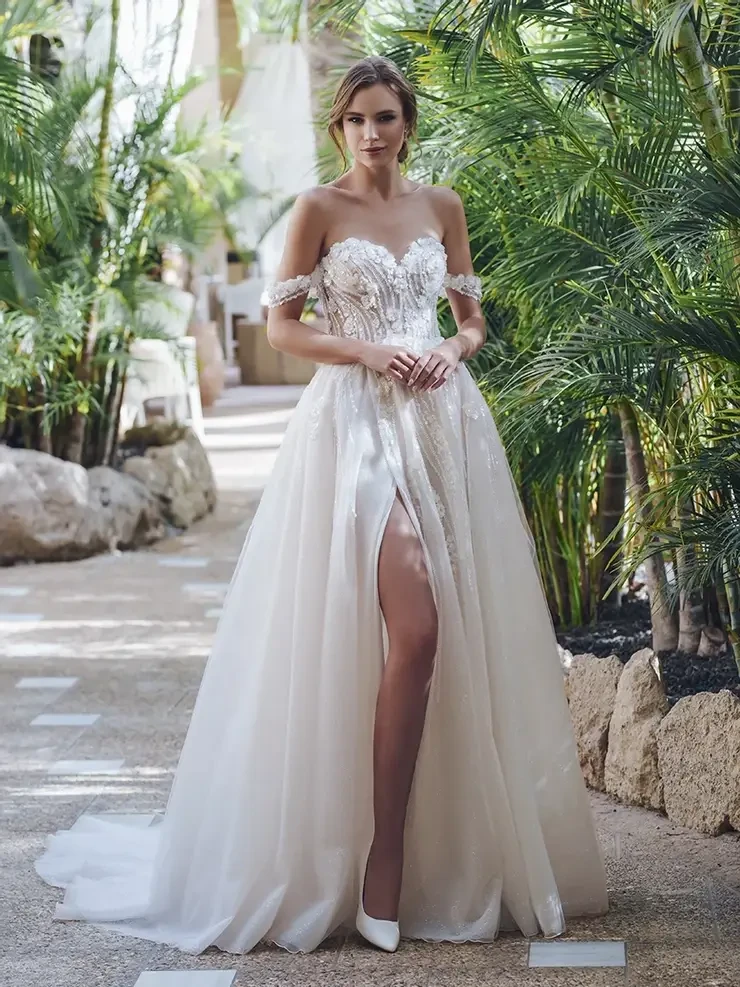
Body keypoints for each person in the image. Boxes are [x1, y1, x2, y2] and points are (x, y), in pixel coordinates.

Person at [35, 55, 608, 956]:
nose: (371, 133)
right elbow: (283, 327)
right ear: (339, 129)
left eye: (385, 117)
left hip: (442, 422)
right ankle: (379, 861)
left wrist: (448, 353)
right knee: (415, 626)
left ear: (406, 123)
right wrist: (371, 354)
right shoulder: (319, 210)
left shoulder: (443, 207)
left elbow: (468, 319)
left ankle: (434, 853)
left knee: (446, 634)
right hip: (354, 430)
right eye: (355, 120)